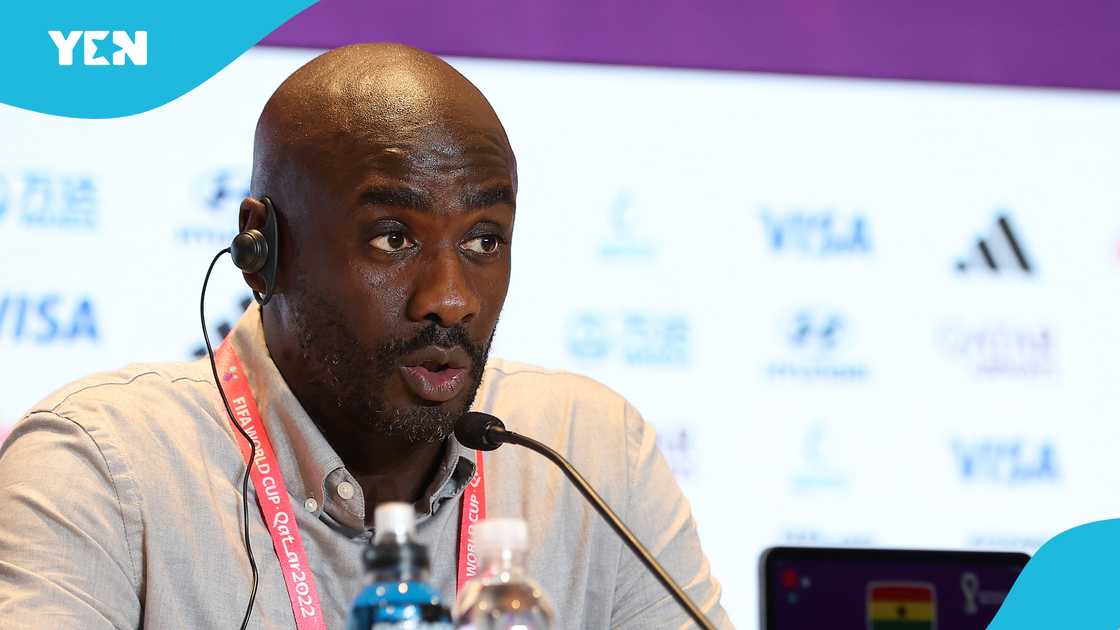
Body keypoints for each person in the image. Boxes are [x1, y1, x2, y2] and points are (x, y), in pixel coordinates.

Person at [0, 43, 731, 629]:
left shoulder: (590, 452)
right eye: (392, 238)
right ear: (263, 249)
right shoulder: (101, 468)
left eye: (483, 241)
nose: (450, 300)